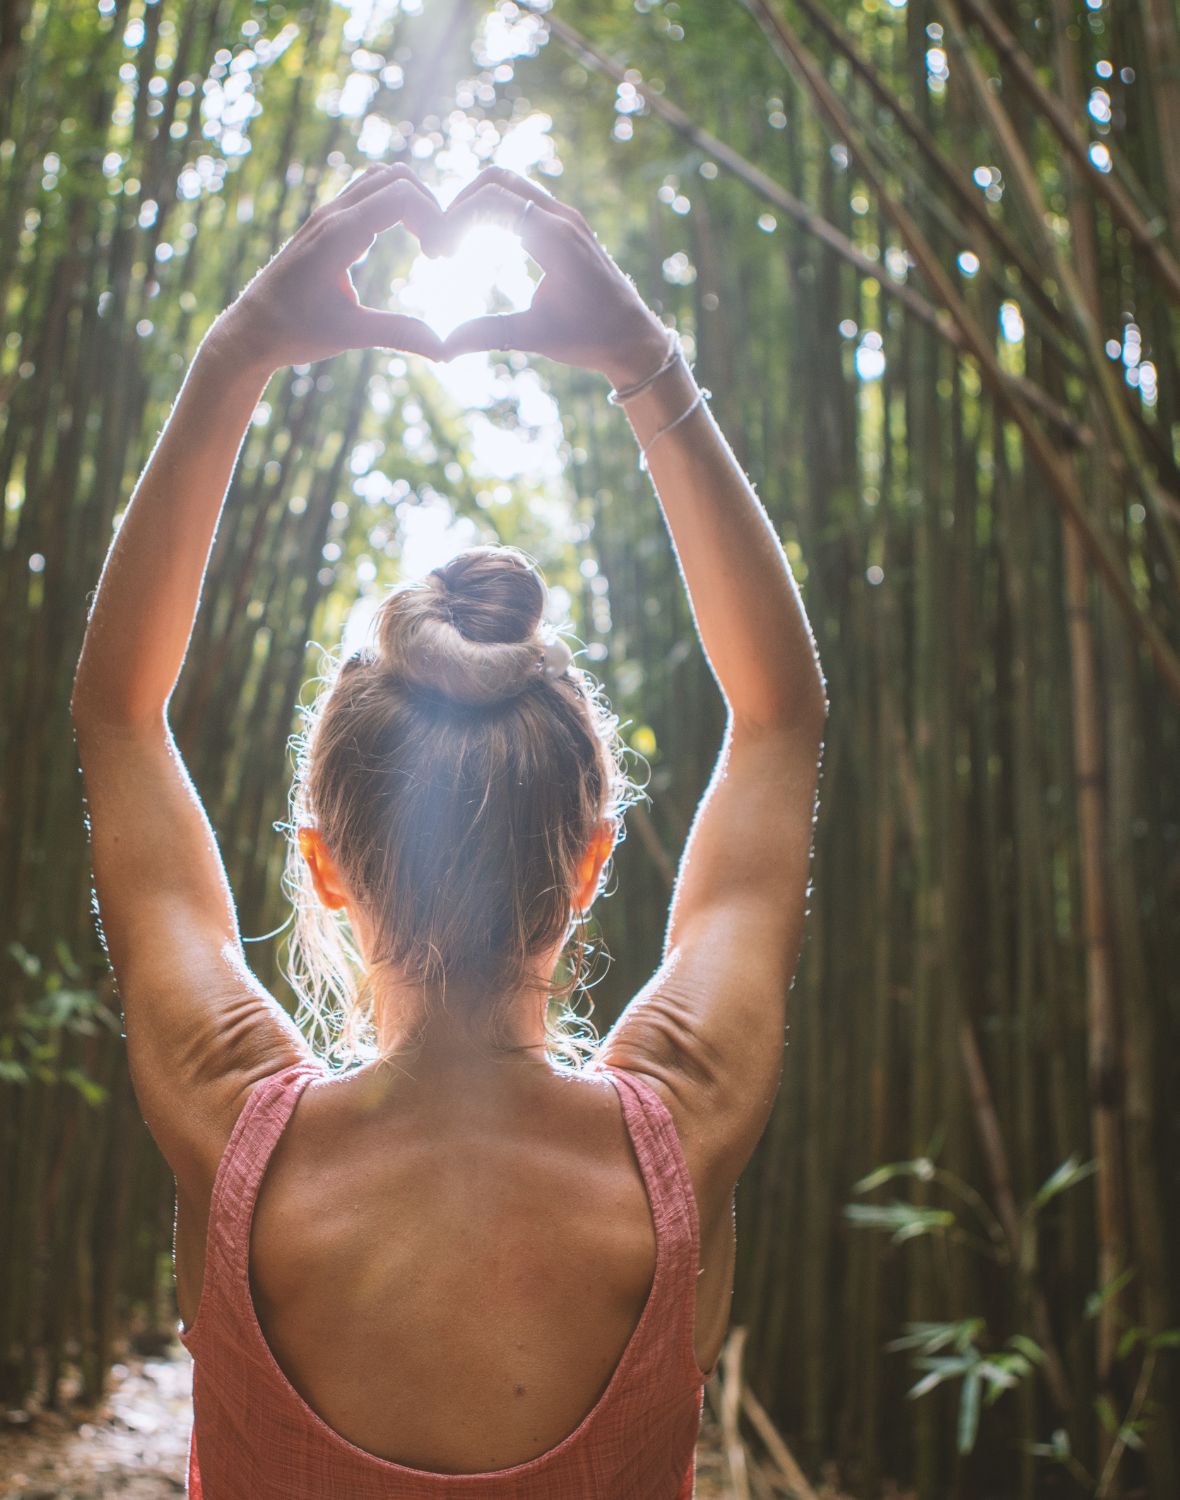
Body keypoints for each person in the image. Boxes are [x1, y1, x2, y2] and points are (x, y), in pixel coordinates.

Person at [72, 163, 826, 1499]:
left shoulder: (235, 1130)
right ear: (592, 858)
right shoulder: (678, 1136)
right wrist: (644, 363)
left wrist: (240, 353)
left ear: (324, 865)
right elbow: (777, 718)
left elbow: (121, 718)